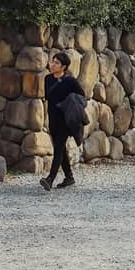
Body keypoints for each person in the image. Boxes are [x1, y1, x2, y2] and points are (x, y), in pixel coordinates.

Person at [42, 51, 85, 191]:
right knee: (60, 148)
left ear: (64, 67)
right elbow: (48, 98)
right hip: (53, 119)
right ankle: (69, 177)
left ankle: (50, 179)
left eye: (56, 63)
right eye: (52, 61)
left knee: (59, 148)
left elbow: (81, 97)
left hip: (65, 120)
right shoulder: (48, 79)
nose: (53, 64)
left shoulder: (70, 81)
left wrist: (69, 103)